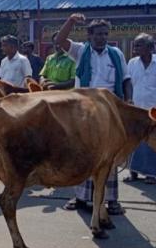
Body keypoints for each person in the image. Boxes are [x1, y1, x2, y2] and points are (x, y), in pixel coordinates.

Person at [57, 13, 132, 215]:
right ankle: (81, 198)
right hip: (84, 110)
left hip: (110, 109)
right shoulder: (81, 51)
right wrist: (71, 21)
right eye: (98, 34)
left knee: (110, 154)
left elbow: (126, 80)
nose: (102, 37)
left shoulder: (116, 54)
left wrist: (128, 101)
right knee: (83, 153)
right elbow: (59, 41)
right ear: (89, 35)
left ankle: (111, 200)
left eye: (105, 34)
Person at [126, 33, 156, 184]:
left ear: (150, 47)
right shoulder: (132, 63)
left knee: (153, 141)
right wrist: (129, 101)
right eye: (135, 45)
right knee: (134, 141)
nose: (135, 48)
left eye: (139, 45)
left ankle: (151, 175)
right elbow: (129, 83)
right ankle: (133, 173)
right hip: (136, 109)